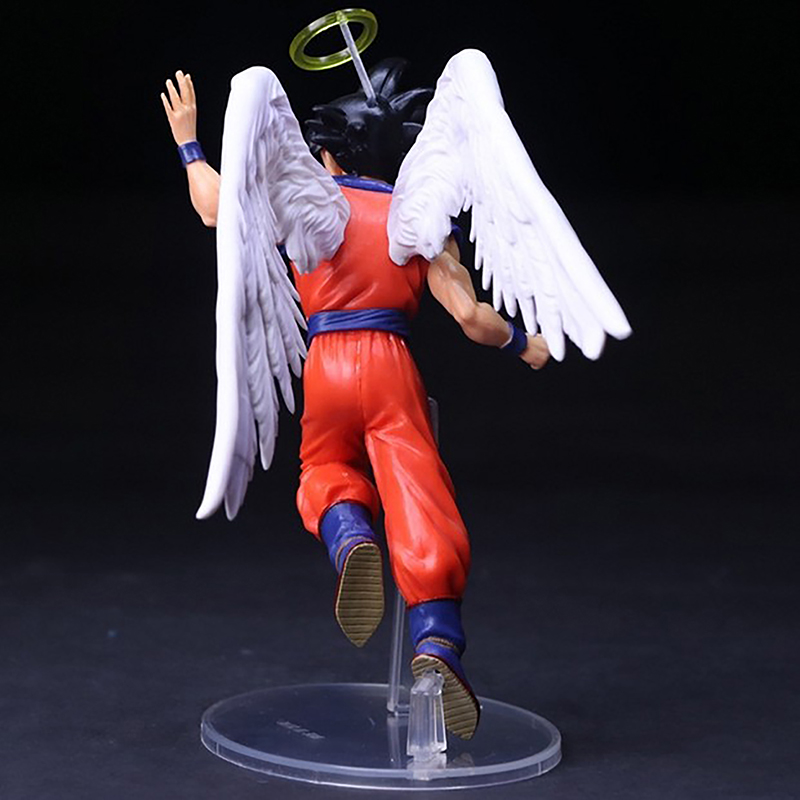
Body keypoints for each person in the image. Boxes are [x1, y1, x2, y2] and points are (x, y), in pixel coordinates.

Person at [162, 63, 549, 739]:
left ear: (331, 155)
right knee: (419, 492)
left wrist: (190, 144)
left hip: (327, 365)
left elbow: (217, 209)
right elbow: (470, 318)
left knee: (324, 468)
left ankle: (350, 539)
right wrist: (524, 343)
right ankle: (437, 640)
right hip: (391, 364)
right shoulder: (415, 220)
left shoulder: (307, 206)